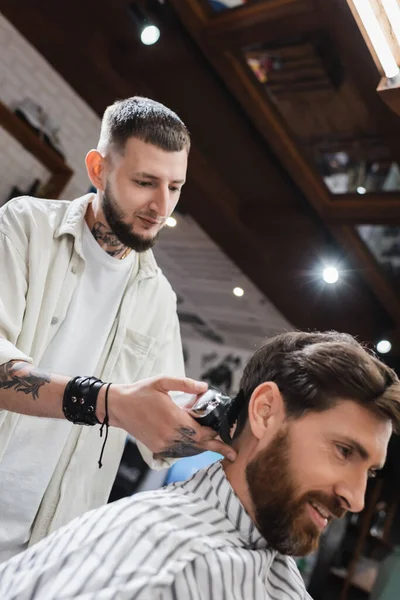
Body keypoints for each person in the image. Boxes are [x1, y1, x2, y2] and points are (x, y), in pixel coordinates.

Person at [0, 96, 235, 562]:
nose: (160, 207)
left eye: (175, 187)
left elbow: (166, 438)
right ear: (99, 169)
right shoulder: (24, 226)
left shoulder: (157, 300)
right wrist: (110, 403)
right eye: (145, 182)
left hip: (39, 554)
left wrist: (236, 426)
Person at [0, 330, 398, 599]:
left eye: (370, 471)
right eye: (344, 451)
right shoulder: (166, 569)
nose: (356, 498)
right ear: (263, 412)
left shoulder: (272, 566)